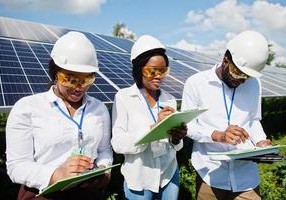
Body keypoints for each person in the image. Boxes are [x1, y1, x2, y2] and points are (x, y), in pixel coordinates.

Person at [6, 31, 113, 200]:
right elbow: (16, 166)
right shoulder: (27, 108)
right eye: (71, 79)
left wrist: (104, 170)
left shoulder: (99, 108)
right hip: (43, 194)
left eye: (86, 80)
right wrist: (55, 175)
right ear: (55, 72)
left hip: (88, 193)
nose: (79, 88)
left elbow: (104, 150)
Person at [181, 30, 271, 200]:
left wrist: (261, 141)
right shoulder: (196, 83)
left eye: (247, 77)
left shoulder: (254, 84)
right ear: (225, 60)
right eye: (238, 74)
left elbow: (253, 120)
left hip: (246, 177)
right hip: (210, 174)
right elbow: (188, 126)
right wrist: (217, 135)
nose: (242, 80)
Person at [111, 35, 187, 200]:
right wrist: (153, 129)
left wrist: (177, 138)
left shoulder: (169, 99)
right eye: (152, 70)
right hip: (140, 179)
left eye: (163, 70)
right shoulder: (123, 98)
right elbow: (118, 143)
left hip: (168, 175)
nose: (158, 75)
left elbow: (176, 147)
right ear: (139, 69)